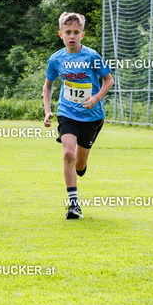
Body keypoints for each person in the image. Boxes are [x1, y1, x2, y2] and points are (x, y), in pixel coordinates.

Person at [43, 12, 114, 219]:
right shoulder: (56, 59)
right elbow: (48, 86)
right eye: (68, 32)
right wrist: (47, 110)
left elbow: (109, 80)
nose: (72, 36)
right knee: (68, 154)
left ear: (82, 34)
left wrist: (96, 98)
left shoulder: (92, 56)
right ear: (61, 34)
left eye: (76, 32)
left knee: (80, 165)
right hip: (67, 113)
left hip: (92, 116)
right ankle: (73, 205)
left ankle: (79, 167)